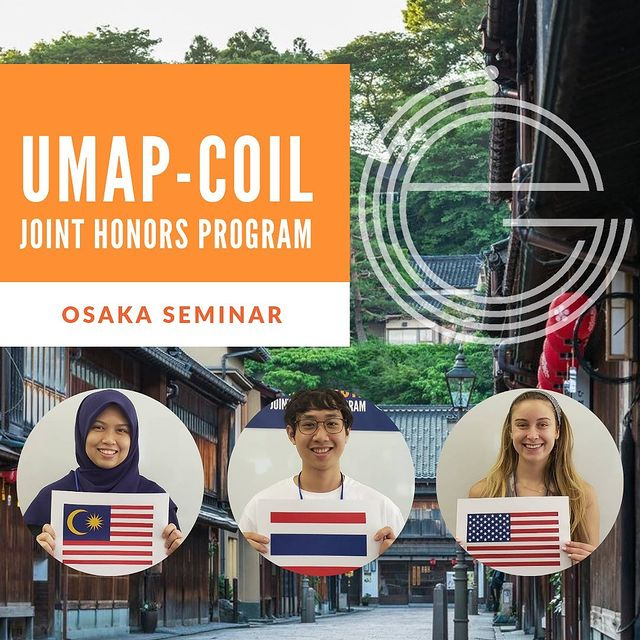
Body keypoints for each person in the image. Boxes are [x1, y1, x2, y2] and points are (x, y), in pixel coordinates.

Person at [239, 389, 405, 556]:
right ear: (291, 434)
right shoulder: (258, 507)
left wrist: (391, 552)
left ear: (347, 432)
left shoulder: (384, 510)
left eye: (332, 424)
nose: (320, 436)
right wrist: (244, 549)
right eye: (309, 425)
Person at [23, 389, 183, 557]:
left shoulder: (156, 500)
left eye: (121, 430)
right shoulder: (50, 498)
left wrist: (173, 550)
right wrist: (38, 550)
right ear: (82, 432)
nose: (108, 439)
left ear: (133, 438)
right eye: (98, 427)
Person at [468, 390, 599, 564]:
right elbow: (488, 558)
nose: (532, 435)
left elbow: (594, 561)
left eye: (543, 425)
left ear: (557, 431)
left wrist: (590, 559)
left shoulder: (582, 495)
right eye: (522, 425)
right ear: (510, 431)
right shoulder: (483, 494)